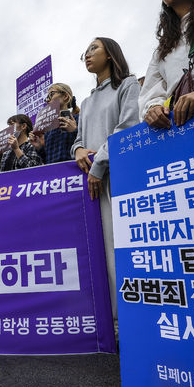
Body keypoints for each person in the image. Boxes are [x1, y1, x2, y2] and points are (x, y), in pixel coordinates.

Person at [70, 37, 140, 321]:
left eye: (93, 49)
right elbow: (77, 140)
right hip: (91, 182)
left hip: (117, 178)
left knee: (118, 250)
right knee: (97, 252)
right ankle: (107, 320)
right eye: (85, 51)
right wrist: (77, 151)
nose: (87, 54)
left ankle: (126, 322)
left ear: (110, 54)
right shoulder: (85, 102)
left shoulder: (128, 85)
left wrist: (99, 164)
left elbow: (128, 127)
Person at [29, 83, 79, 164]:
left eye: (51, 94)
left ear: (65, 96)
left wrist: (74, 131)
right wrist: (39, 147)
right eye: (46, 98)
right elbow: (47, 160)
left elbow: (89, 144)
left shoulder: (78, 119)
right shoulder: (49, 128)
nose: (48, 100)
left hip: (75, 172)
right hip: (54, 174)